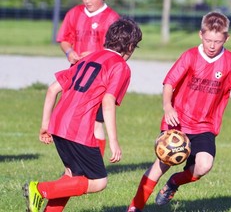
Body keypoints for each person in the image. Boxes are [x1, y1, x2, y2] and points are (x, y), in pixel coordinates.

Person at [127, 11, 231, 212]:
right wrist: (168, 107)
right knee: (162, 163)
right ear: (200, 35)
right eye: (208, 40)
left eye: (217, 41)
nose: (212, 46)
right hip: (177, 123)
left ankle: (174, 183)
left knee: (204, 165)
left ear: (226, 38)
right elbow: (169, 83)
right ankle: (135, 207)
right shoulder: (190, 56)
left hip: (205, 126)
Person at [23, 17, 142, 212]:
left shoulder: (88, 57)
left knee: (71, 176)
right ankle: (39, 189)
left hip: (58, 122)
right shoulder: (120, 66)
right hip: (78, 128)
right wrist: (114, 142)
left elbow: (53, 89)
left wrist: (45, 125)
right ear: (130, 46)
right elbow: (108, 101)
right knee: (99, 181)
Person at [57, 0, 120, 157]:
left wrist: (94, 54)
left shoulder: (112, 18)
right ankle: (73, 167)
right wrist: (70, 52)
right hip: (78, 75)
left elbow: (116, 49)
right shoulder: (74, 13)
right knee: (73, 120)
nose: (87, 0)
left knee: (95, 123)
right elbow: (64, 39)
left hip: (99, 78)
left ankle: (94, 166)